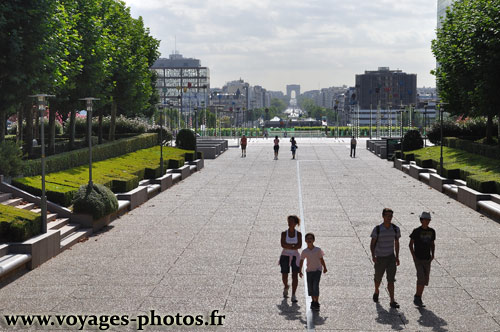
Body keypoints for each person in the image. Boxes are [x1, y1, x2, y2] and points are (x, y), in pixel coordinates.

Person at [370, 208, 401, 309]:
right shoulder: (377, 229)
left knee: (391, 280)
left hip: (391, 257)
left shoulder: (395, 229)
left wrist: (397, 256)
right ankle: (376, 290)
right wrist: (373, 255)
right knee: (378, 278)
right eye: (387, 215)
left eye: (390, 216)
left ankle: (392, 300)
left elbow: (396, 243)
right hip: (380, 258)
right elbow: (372, 243)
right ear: (383, 216)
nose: (389, 218)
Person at [409, 212, 435, 307]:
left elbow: (432, 243)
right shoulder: (416, 231)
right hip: (418, 258)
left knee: (425, 279)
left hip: (427, 258)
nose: (427, 221)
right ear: (421, 220)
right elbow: (410, 244)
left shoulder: (432, 231)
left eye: (428, 220)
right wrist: (413, 256)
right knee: (421, 277)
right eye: (425, 220)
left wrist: (433, 254)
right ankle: (417, 297)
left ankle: (419, 295)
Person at [299, 233, 327, 311]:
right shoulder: (305, 251)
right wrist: (300, 270)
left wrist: (324, 267)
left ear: (313, 240)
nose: (309, 240)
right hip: (309, 271)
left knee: (315, 286)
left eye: (311, 238)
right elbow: (301, 260)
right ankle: (313, 301)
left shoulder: (318, 250)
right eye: (307, 239)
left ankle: (316, 302)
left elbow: (321, 259)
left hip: (317, 270)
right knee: (310, 287)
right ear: (305, 240)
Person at [280, 215, 302, 303]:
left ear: (295, 223)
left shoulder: (298, 234)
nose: (290, 223)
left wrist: (289, 246)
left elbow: (299, 245)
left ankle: (293, 294)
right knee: (284, 274)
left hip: (295, 257)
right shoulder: (284, 233)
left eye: (292, 221)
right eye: (289, 221)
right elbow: (283, 244)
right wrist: (293, 246)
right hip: (285, 256)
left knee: (295, 275)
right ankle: (286, 286)